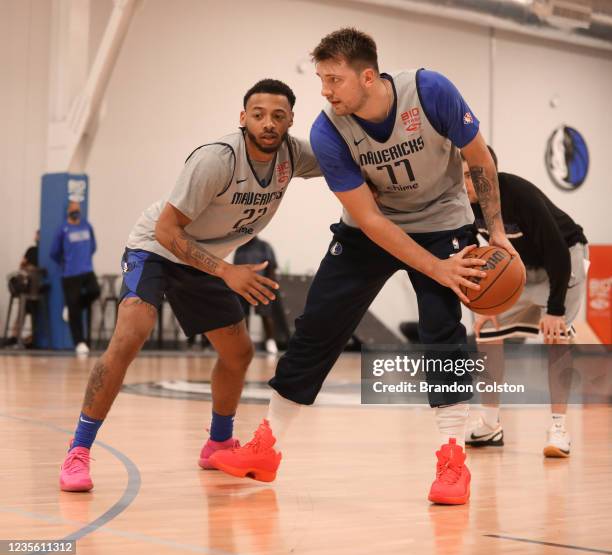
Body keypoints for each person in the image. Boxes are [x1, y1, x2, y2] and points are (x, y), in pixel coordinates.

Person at [210, 28, 520, 505]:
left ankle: (453, 459)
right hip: (369, 229)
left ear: (369, 77)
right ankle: (266, 447)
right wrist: (437, 270)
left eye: (334, 79)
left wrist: (495, 231)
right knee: (317, 325)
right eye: (322, 80)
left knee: (443, 331)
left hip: (442, 222)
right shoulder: (328, 129)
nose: (326, 91)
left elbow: (478, 157)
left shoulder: (430, 91)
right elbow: (370, 218)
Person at [59, 79, 320, 492]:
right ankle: (78, 450)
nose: (268, 123)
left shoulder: (293, 154)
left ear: (291, 120)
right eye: (258, 115)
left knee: (238, 352)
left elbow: (350, 157)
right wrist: (227, 272)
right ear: (242, 118)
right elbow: (166, 230)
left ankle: (218, 442)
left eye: (278, 115)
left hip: (205, 258)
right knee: (132, 333)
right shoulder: (216, 159)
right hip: (158, 248)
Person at [463, 146, 588, 458]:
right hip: (518, 270)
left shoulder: (519, 194)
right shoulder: (460, 203)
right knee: (486, 334)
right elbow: (471, 256)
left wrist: (555, 310)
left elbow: (557, 250)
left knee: (556, 337)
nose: (463, 183)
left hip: (562, 259)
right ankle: (490, 424)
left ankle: (558, 428)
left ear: (489, 173)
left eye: (470, 175)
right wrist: (481, 306)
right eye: (460, 175)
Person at [50, 202, 100, 355]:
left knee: (95, 291)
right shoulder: (63, 229)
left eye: (77, 210)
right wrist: (65, 262)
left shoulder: (87, 226)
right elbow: (54, 252)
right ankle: (79, 342)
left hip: (87, 270)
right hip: (70, 274)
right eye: (73, 210)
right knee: (75, 312)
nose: (76, 212)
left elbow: (93, 246)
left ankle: (73, 308)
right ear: (67, 211)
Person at [234, 236, 280, 354]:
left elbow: (271, 267)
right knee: (243, 316)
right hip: (243, 287)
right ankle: (245, 342)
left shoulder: (264, 246)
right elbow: (235, 269)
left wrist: (269, 287)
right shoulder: (240, 248)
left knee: (266, 315)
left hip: (261, 286)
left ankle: (270, 341)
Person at [4, 231, 40, 347]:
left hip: (37, 289)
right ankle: (15, 337)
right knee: (22, 310)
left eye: (38, 235)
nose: (36, 237)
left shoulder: (44, 252)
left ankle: (31, 338)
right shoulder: (31, 250)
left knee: (33, 313)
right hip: (27, 289)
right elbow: (22, 264)